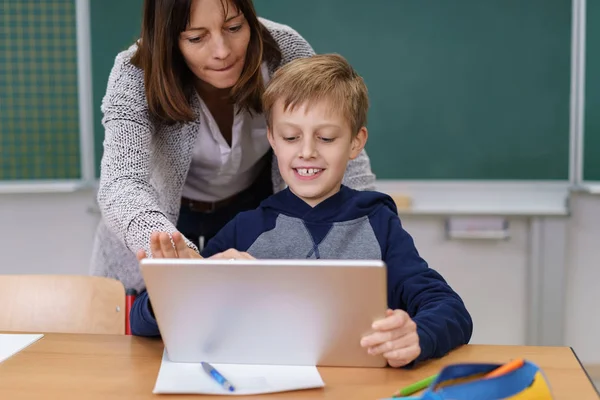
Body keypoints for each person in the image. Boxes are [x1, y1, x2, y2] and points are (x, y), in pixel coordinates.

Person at [130, 54, 473, 368]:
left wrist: (418, 336)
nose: (307, 152)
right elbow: (142, 322)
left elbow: (452, 311)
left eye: (325, 138)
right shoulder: (245, 230)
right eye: (291, 137)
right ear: (273, 140)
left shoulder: (378, 224)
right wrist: (181, 284)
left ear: (355, 142)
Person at [89, 0, 376, 293]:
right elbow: (121, 183)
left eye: (234, 27)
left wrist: (368, 230)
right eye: (197, 38)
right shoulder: (135, 71)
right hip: (163, 218)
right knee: (150, 320)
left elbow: (339, 143)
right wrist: (169, 246)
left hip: (251, 209)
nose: (222, 51)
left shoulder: (283, 51)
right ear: (167, 38)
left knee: (261, 312)